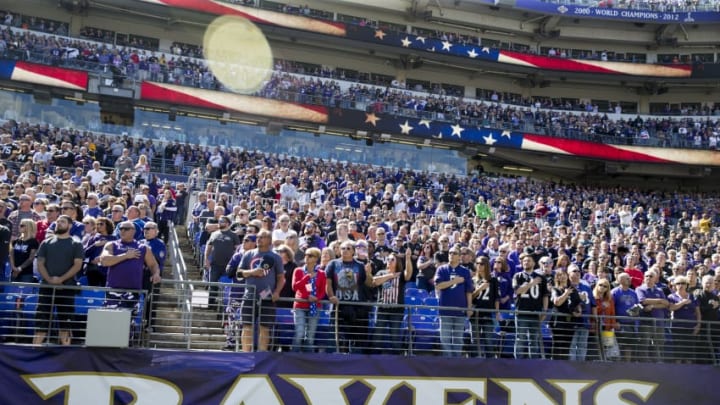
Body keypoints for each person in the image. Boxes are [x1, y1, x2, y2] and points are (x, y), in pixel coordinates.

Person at [33, 215, 84, 345]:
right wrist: (50, 279)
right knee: (41, 322)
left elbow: (77, 265)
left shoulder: (76, 243)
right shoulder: (46, 242)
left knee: (65, 322)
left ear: (70, 225)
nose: (59, 223)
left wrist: (61, 279)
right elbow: (40, 263)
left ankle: (66, 355)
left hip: (67, 288)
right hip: (46, 287)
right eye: (57, 222)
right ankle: (34, 351)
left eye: (62, 221)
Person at [235, 229, 285, 352]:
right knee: (247, 326)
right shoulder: (248, 254)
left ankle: (261, 356)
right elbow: (238, 274)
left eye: (262, 237)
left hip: (267, 298)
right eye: (258, 237)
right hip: (249, 296)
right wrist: (252, 272)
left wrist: (277, 292)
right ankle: (246, 354)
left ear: (269, 240)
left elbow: (281, 278)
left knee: (265, 327)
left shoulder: (276, 257)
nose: (258, 239)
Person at [99, 221, 161, 318]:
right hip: (113, 290)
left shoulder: (142, 248)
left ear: (133, 231)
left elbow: (153, 264)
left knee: (129, 325)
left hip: (133, 292)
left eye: (126, 229)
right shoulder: (112, 245)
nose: (122, 231)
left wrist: (156, 274)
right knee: (110, 322)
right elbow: (104, 261)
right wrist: (125, 256)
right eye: (121, 229)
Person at [325, 240, 373, 353]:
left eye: (348, 248)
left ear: (353, 251)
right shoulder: (333, 264)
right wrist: (331, 296)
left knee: (357, 341)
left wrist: (369, 273)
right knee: (340, 340)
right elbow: (328, 284)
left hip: (357, 308)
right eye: (342, 248)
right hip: (339, 307)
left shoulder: (360, 265)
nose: (345, 251)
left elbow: (369, 284)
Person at [434, 245, 473, 357]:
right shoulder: (442, 269)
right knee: (444, 338)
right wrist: (454, 281)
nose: (451, 255)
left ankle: (456, 362)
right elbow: (438, 286)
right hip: (445, 310)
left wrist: (469, 307)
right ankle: (448, 362)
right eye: (450, 253)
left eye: (454, 253)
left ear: (459, 256)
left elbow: (469, 291)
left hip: (460, 310)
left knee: (458, 339)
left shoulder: (465, 271)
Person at [372, 248, 412, 354]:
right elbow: (375, 281)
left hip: (397, 310)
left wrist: (408, 258)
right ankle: (375, 359)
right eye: (388, 259)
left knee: (395, 336)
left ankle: (397, 359)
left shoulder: (401, 274)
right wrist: (390, 275)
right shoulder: (381, 272)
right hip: (382, 308)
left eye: (392, 259)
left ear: (397, 262)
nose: (389, 261)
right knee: (377, 336)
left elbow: (408, 274)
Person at [513, 253, 549, 359]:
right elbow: (518, 291)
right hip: (521, 312)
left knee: (534, 340)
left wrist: (545, 310)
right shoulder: (518, 276)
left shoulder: (541, 278)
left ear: (534, 263)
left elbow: (545, 296)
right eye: (524, 261)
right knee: (520, 339)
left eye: (528, 261)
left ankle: (533, 363)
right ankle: (518, 362)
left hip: (536, 312)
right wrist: (531, 283)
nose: (526, 262)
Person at [291, 247, 326, 352]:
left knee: (310, 336)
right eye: (306, 254)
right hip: (300, 305)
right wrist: (306, 278)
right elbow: (295, 287)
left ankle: (307, 361)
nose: (307, 257)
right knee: (300, 333)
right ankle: (294, 357)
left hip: (315, 306)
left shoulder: (322, 274)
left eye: (310, 255)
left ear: (316, 259)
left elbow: (323, 291)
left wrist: (316, 298)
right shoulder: (298, 271)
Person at [204, 216, 240, 312]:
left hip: (228, 266)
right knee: (212, 285)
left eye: (222, 221)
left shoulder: (233, 235)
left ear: (228, 223)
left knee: (226, 287)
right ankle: (211, 305)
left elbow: (238, 250)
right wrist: (206, 259)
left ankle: (223, 307)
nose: (219, 223)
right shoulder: (214, 234)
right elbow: (209, 247)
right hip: (215, 265)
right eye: (219, 221)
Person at [636, 270, 669, 362]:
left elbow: (666, 303)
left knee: (659, 343)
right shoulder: (640, 289)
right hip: (645, 321)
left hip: (659, 321)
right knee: (645, 343)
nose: (648, 278)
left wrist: (653, 305)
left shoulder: (659, 290)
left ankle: (658, 363)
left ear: (655, 278)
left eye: (650, 276)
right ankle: (644, 364)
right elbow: (643, 301)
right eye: (646, 276)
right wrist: (660, 300)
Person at [470, 256, 500, 358]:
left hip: (488, 313)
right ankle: (475, 362)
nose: (479, 266)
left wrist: (497, 312)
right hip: (475, 312)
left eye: (481, 264)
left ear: (486, 265)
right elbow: (470, 297)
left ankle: (490, 363)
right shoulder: (473, 279)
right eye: (477, 263)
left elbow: (496, 298)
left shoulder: (493, 280)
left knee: (488, 339)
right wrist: (479, 289)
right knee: (475, 339)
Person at [667, 275, 701, 363]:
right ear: (675, 285)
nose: (680, 285)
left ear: (687, 285)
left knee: (689, 352)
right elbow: (671, 308)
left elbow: (698, 312)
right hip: (677, 328)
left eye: (683, 283)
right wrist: (683, 302)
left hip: (691, 327)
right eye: (678, 283)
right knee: (678, 351)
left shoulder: (693, 296)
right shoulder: (671, 296)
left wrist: (698, 325)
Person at [550, 269, 581, 360]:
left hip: (570, 322)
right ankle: (554, 366)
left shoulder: (573, 289)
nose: (562, 276)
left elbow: (578, 303)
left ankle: (564, 368)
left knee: (567, 345)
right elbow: (557, 302)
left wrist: (578, 312)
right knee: (557, 345)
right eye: (560, 275)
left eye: (564, 274)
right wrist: (566, 293)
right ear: (557, 278)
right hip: (558, 322)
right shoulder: (555, 289)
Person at [568, 264, 596, 361]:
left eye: (579, 271)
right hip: (571, 321)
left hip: (585, 321)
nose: (577, 273)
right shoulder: (567, 286)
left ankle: (580, 366)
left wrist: (594, 319)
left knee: (582, 345)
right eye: (574, 271)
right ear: (568, 273)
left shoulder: (586, 286)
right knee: (572, 345)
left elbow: (593, 304)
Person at [610, 272, 640, 362]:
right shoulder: (614, 292)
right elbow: (611, 308)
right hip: (619, 323)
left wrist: (636, 312)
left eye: (629, 278)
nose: (629, 279)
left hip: (631, 323)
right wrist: (614, 321)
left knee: (629, 345)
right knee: (619, 345)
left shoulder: (633, 293)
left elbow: (637, 305)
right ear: (620, 280)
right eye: (627, 278)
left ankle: (627, 364)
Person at [593, 278, 619, 360]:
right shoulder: (593, 297)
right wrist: (602, 307)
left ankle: (606, 363)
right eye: (600, 285)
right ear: (597, 285)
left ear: (608, 288)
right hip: (596, 326)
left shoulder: (610, 299)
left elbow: (612, 313)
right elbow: (592, 311)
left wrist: (613, 324)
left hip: (607, 326)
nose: (602, 287)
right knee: (597, 345)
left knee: (607, 346)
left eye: (605, 286)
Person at [696, 274, 720, 364]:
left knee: (713, 349)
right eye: (706, 283)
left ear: (714, 285)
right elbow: (699, 310)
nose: (709, 285)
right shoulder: (698, 295)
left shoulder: (715, 297)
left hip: (714, 328)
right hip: (703, 327)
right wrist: (711, 306)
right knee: (702, 349)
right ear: (702, 284)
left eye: (711, 283)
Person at [9, 218, 39, 283]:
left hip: (26, 274)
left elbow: (31, 258)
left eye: (22, 225)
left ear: (28, 227)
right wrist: (13, 268)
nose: (19, 227)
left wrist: (19, 269)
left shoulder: (33, 242)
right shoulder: (16, 241)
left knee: (25, 293)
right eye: (19, 225)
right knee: (12, 292)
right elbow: (11, 255)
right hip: (14, 272)